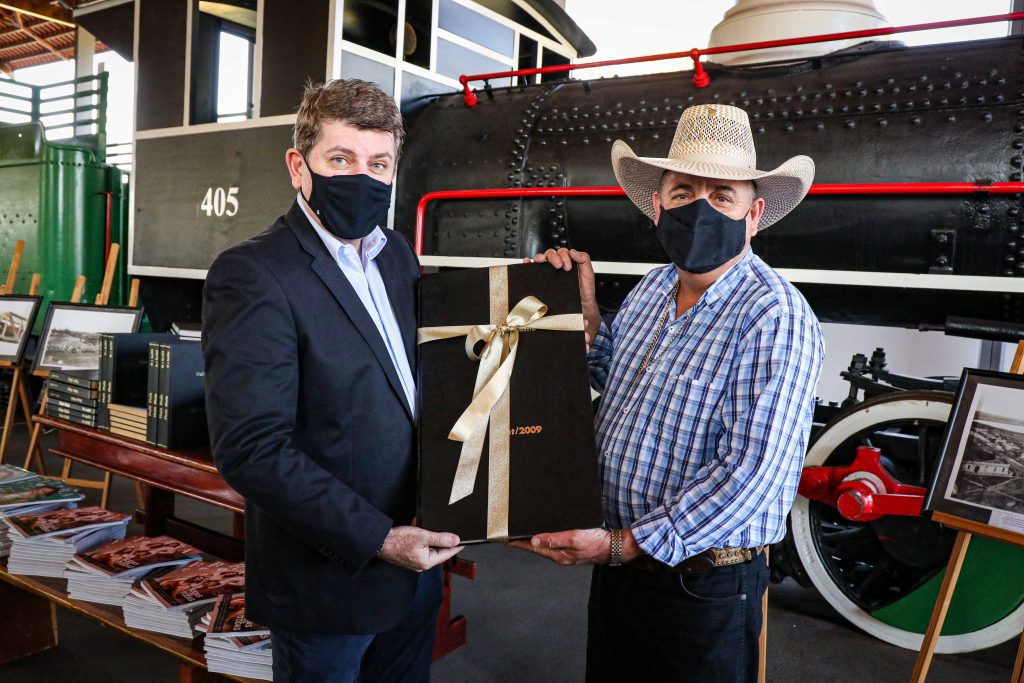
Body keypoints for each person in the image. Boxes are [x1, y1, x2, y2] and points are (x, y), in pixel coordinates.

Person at [518, 103, 825, 681]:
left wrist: (625, 544)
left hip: (701, 586)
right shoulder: (652, 288)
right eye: (683, 193)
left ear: (754, 214)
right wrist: (584, 316)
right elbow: (614, 378)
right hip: (619, 567)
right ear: (657, 207)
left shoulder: (774, 315)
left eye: (722, 196)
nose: (700, 209)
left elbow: (753, 473)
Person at [203, 78, 462, 682]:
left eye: (379, 164)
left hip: (416, 568)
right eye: (341, 159)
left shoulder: (397, 254)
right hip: (330, 579)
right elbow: (251, 448)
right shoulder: (253, 273)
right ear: (300, 167)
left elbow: (416, 383)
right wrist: (380, 539)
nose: (362, 178)